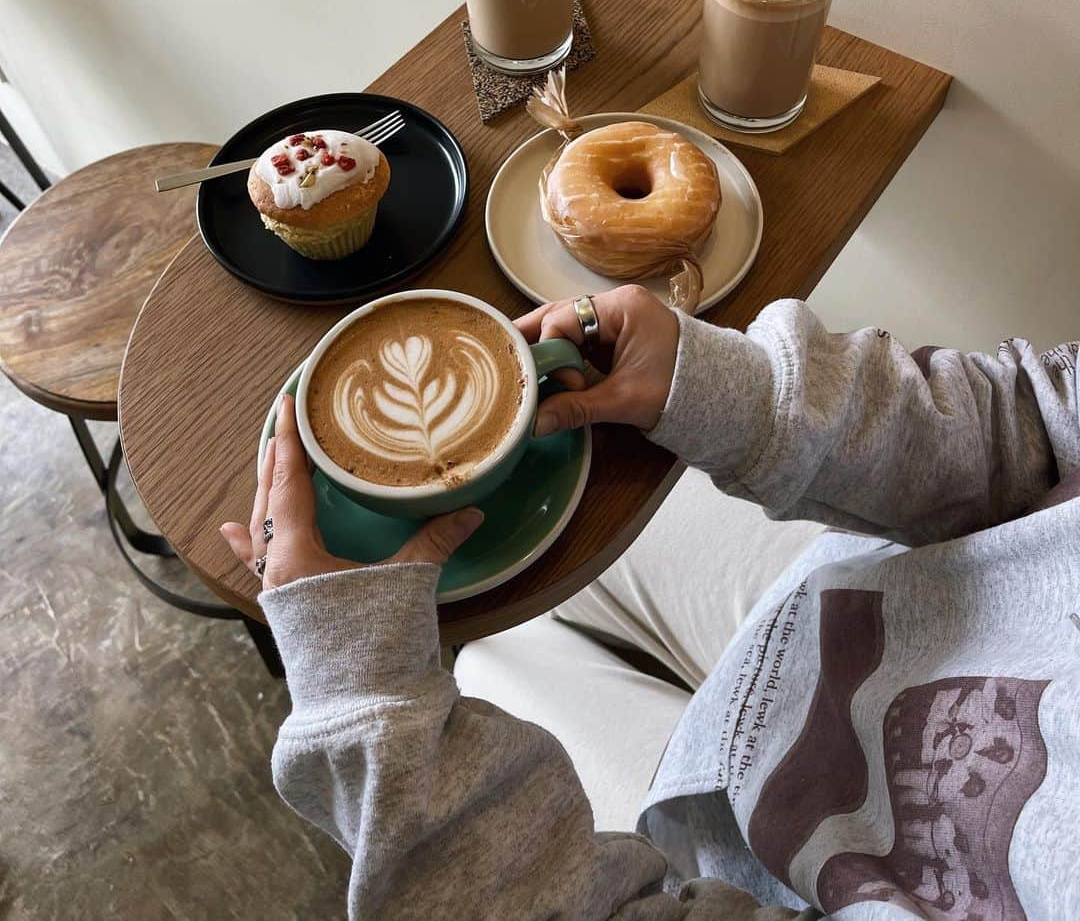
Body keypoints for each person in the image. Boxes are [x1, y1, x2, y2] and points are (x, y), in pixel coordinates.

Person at [222, 285, 1080, 919]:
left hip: (737, 868)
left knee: (496, 649)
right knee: (546, 585)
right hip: (869, 592)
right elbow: (1039, 431)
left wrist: (358, 688)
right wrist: (733, 390)